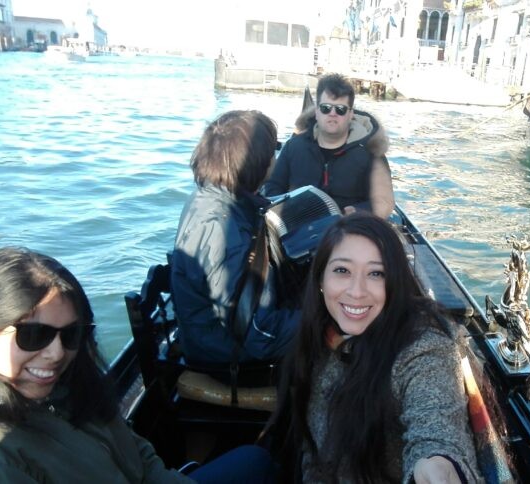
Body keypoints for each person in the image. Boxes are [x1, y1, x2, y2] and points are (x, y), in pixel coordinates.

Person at [0, 247, 273, 482]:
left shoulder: (71, 388)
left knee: (256, 460)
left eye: (72, 333)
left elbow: (138, 453)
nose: (57, 353)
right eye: (34, 335)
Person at [266, 213, 482, 483]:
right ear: (321, 279)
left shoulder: (423, 348)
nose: (357, 292)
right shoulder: (320, 336)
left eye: (376, 273)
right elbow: (313, 451)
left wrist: (438, 464)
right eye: (342, 271)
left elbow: (436, 430)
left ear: (394, 283)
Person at [170, 110, 300, 366]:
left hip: (215, 337)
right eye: (273, 149)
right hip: (226, 357)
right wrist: (324, 321)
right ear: (259, 162)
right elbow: (259, 335)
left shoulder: (209, 197)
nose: (276, 156)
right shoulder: (221, 228)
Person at [262, 73, 395, 218]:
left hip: (351, 230)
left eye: (340, 109)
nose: (332, 114)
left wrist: (357, 212)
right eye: (326, 108)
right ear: (317, 111)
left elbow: (384, 202)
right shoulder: (293, 147)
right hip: (298, 230)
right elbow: (273, 188)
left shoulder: (371, 153)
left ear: (351, 114)